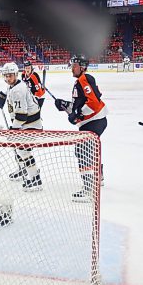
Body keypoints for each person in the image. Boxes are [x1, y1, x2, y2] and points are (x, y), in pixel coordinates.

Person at [54, 55, 108, 201]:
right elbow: (81, 105)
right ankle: (99, 176)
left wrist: (76, 113)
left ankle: (89, 189)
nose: (72, 68)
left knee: (82, 151)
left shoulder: (84, 79)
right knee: (90, 149)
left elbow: (93, 104)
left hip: (94, 122)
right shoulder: (80, 81)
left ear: (82, 67)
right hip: (95, 121)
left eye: (75, 65)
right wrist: (65, 106)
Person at [0, 62, 43, 192]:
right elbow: (9, 90)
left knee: (23, 151)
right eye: (5, 76)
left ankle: (35, 178)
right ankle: (25, 170)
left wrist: (14, 130)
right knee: (18, 149)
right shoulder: (15, 85)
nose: (7, 78)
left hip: (30, 125)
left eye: (10, 76)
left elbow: (22, 116)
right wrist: (2, 96)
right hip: (26, 124)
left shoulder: (18, 90)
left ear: (15, 74)